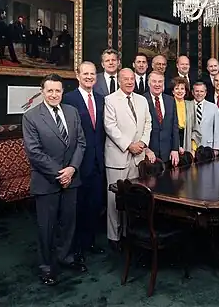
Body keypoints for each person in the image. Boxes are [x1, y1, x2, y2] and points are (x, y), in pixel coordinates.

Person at [22, 73, 87, 286]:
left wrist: (72, 169)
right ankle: (46, 267)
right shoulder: (31, 117)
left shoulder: (72, 111)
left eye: (57, 90)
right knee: (46, 227)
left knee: (69, 223)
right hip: (47, 181)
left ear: (62, 92)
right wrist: (61, 173)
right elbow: (34, 152)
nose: (54, 94)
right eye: (49, 90)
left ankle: (65, 257)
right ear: (42, 92)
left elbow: (80, 143)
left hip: (72, 179)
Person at [103, 68, 152, 248]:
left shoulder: (142, 100)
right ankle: (114, 237)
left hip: (137, 157)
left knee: (132, 199)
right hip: (118, 156)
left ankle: (127, 234)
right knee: (114, 199)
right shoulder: (110, 100)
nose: (130, 82)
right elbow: (110, 127)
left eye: (132, 79)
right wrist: (128, 145)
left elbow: (148, 123)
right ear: (119, 80)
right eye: (126, 79)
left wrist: (143, 144)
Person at [63, 62, 105, 261]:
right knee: (77, 208)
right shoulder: (68, 99)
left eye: (92, 74)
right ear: (77, 75)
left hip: (98, 162)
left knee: (94, 205)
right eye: (85, 74)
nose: (89, 77)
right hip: (78, 163)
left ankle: (90, 243)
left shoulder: (101, 99)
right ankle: (76, 249)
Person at [144, 71, 180, 166]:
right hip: (149, 154)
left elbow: (174, 126)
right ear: (149, 83)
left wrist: (175, 149)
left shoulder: (170, 100)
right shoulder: (142, 100)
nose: (157, 84)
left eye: (160, 82)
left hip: (168, 154)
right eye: (154, 81)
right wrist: (145, 149)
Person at [171, 76, 201, 155]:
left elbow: (195, 128)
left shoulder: (190, 105)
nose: (180, 91)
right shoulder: (169, 104)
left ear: (185, 91)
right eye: (177, 88)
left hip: (187, 138)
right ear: (173, 91)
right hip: (172, 140)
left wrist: (193, 148)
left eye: (182, 88)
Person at [192, 82, 219, 154]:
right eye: (197, 91)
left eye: (201, 91)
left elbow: (217, 128)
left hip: (208, 147)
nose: (199, 94)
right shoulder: (187, 105)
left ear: (205, 93)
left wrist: (216, 148)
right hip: (191, 147)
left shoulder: (213, 107)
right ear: (193, 92)